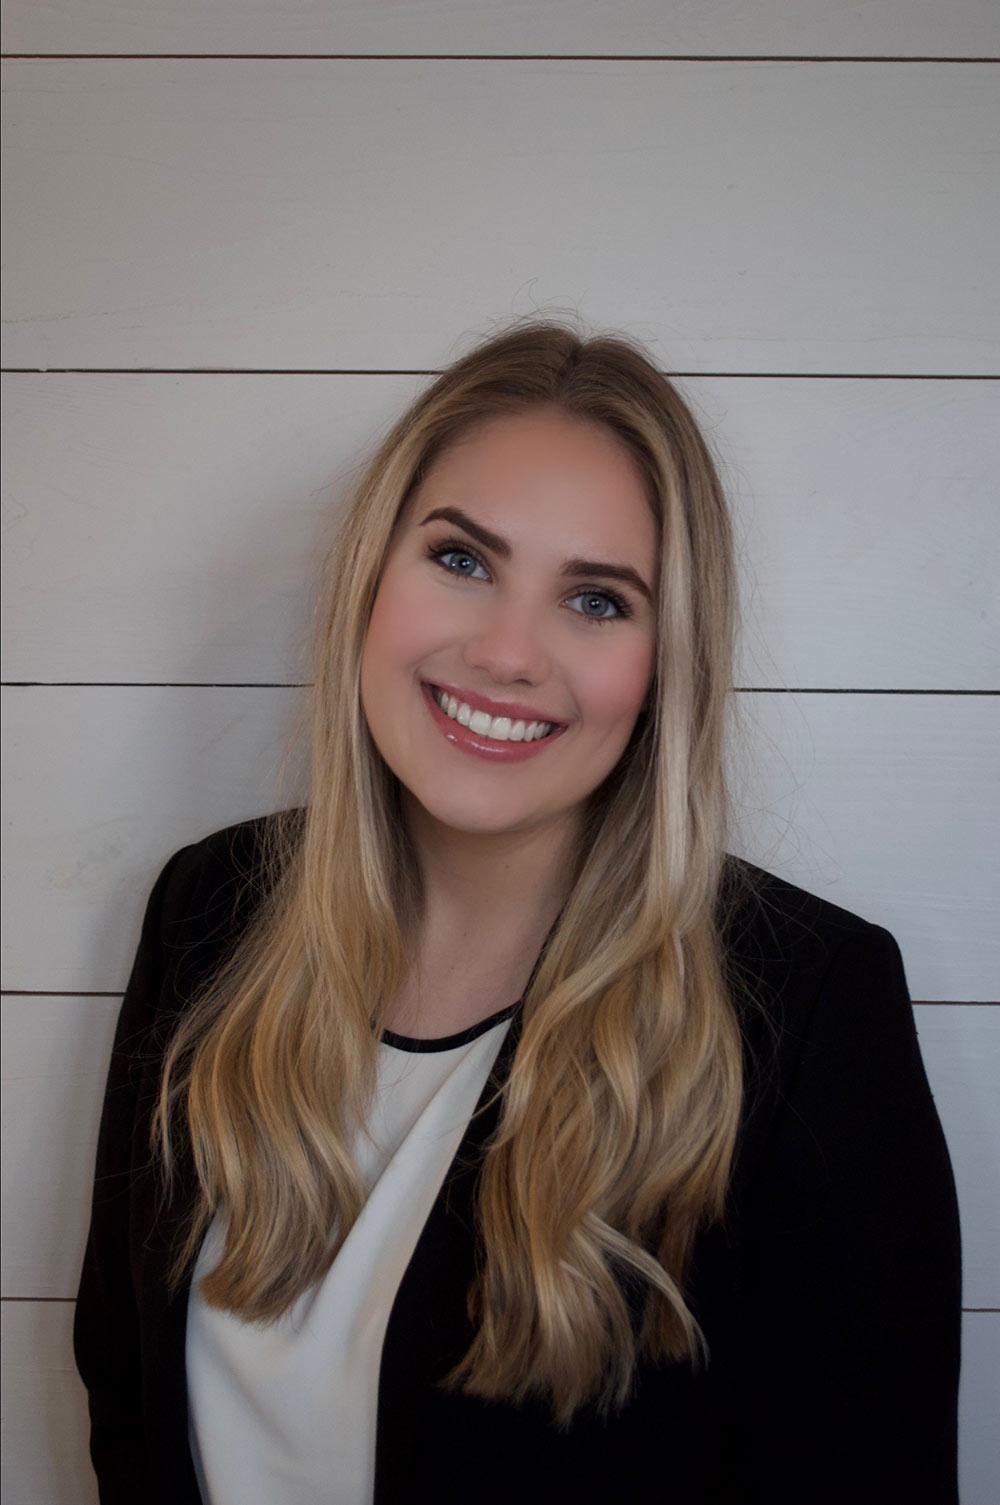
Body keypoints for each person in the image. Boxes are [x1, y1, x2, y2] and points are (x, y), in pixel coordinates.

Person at [74, 319, 961, 1505]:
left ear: (664, 665)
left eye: (595, 600)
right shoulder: (207, 913)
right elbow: (125, 1394)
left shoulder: (803, 1004)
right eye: (461, 560)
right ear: (370, 579)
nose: (506, 652)